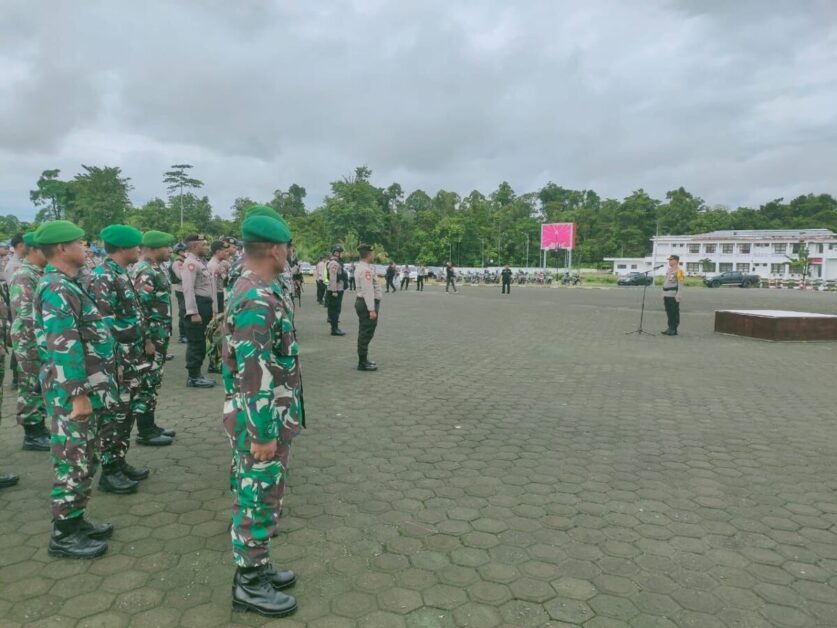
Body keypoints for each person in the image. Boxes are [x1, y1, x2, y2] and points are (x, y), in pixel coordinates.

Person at [222, 215, 302, 618]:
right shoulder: (256, 298)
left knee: (261, 494)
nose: (289, 253)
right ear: (274, 249)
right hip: (262, 419)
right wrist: (263, 432)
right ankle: (249, 583)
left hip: (268, 414)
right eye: (287, 246)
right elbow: (253, 372)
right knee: (258, 495)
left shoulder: (257, 288)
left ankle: (258, 565)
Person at [33, 220, 118, 558]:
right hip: (72, 395)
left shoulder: (68, 283)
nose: (86, 246)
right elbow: (63, 344)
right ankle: (64, 535)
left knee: (85, 457)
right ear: (63, 249)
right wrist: (77, 394)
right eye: (80, 242)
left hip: (86, 389)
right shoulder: (56, 287)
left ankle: (77, 519)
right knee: (73, 460)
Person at [91, 225, 151, 494]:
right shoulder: (102, 276)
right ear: (123, 248)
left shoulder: (121, 273)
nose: (140, 250)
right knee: (113, 414)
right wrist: (111, 365)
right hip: (116, 359)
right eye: (136, 246)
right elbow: (102, 326)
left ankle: (118, 459)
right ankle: (109, 470)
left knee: (127, 411)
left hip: (130, 356)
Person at [131, 231, 177, 446]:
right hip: (151, 339)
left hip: (159, 336)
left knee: (153, 380)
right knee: (147, 382)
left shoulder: (156, 269)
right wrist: (147, 339)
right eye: (166, 247)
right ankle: (145, 431)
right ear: (154, 248)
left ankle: (150, 424)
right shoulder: (145, 271)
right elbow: (139, 308)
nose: (170, 250)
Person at [9, 232, 50, 451]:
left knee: (38, 385)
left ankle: (39, 427)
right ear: (33, 250)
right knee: (30, 387)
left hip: (36, 340)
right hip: (29, 340)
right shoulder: (25, 275)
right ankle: (32, 434)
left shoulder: (38, 273)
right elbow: (26, 315)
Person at [181, 233, 216, 387]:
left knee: (201, 341)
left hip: (204, 304)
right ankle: (193, 377)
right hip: (196, 306)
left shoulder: (199, 262)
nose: (206, 247)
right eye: (204, 244)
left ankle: (198, 375)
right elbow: (188, 289)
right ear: (195, 246)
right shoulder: (190, 263)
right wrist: (193, 312)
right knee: (196, 342)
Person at [206, 240, 232, 374]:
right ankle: (213, 363)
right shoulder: (213, 266)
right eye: (224, 250)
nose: (226, 252)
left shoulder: (218, 265)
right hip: (217, 298)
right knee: (216, 334)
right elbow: (213, 289)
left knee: (220, 332)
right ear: (217, 251)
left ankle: (217, 361)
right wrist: (215, 309)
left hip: (221, 296)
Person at [355, 244, 382, 371]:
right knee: (366, 333)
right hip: (366, 304)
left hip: (363, 303)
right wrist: (371, 309)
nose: (374, 255)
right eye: (372, 253)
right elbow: (368, 291)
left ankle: (364, 359)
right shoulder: (365, 270)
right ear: (369, 255)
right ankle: (362, 362)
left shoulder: (362, 267)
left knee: (365, 332)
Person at [661, 254, 685, 336]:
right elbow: (666, 282)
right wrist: (663, 293)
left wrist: (679, 295)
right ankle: (669, 327)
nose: (669, 261)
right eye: (669, 260)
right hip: (666, 294)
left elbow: (681, 284)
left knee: (674, 312)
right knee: (668, 312)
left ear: (676, 261)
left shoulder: (679, 271)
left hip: (673, 294)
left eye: (671, 260)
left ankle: (674, 329)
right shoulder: (669, 270)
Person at [325, 244, 346, 336]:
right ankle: (334, 329)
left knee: (336, 309)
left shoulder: (337, 262)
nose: (342, 254)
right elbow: (333, 277)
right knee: (335, 310)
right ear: (336, 253)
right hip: (335, 289)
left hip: (337, 289)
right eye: (341, 252)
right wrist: (334, 291)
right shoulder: (334, 263)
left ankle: (335, 327)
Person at [170, 244, 187, 343]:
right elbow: (181, 276)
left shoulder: (183, 261)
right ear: (180, 252)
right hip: (181, 290)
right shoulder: (178, 263)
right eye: (185, 250)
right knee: (183, 312)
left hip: (184, 289)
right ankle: (182, 335)